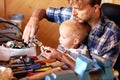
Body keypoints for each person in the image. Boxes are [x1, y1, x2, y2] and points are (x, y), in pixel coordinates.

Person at [22, 0, 120, 70]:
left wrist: (61, 57)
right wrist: (34, 19)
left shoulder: (111, 34)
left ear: (95, 8)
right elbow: (43, 12)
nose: (73, 13)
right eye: (73, 8)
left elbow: (97, 76)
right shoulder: (74, 14)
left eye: (78, 9)